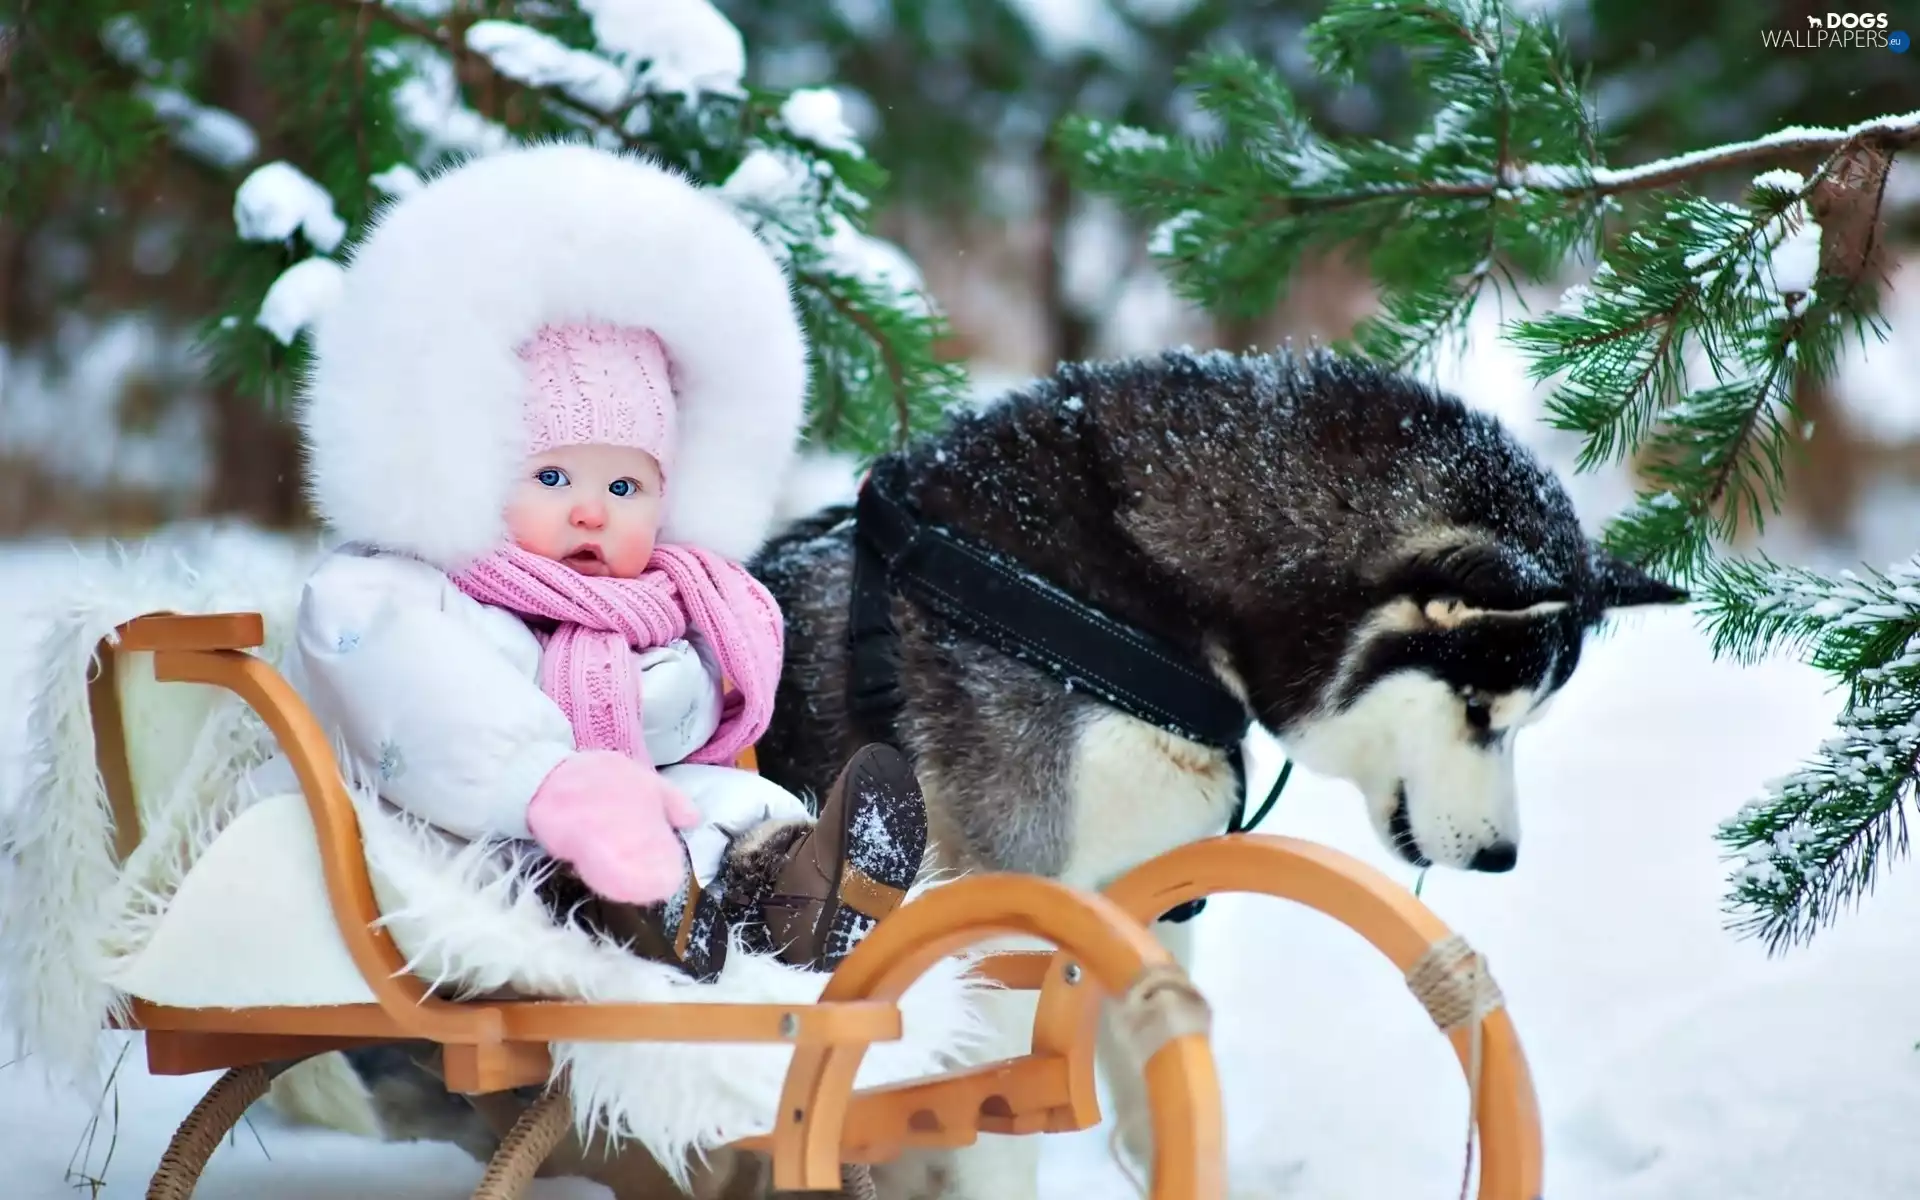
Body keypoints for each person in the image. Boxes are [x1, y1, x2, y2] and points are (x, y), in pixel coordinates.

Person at [285, 141, 927, 981]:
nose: (592, 509)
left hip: (635, 804)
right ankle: (629, 901)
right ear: (473, 470)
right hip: (468, 827)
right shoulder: (397, 591)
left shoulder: (657, 613)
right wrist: (554, 783)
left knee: (730, 803)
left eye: (625, 485)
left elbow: (681, 733)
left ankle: (792, 884)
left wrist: (661, 692)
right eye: (551, 476)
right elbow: (421, 698)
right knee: (588, 839)